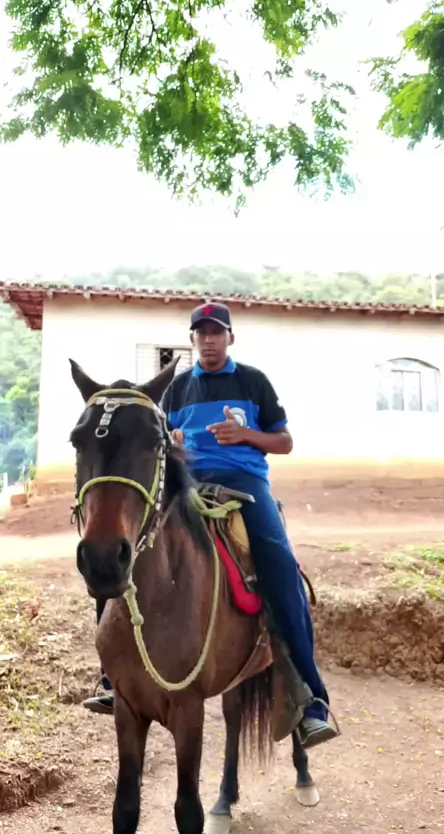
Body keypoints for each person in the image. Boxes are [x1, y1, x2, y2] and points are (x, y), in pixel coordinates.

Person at [83, 303, 337, 749]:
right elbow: (157, 443)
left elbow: (285, 441)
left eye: (216, 332)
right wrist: (172, 442)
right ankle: (112, 676)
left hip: (245, 484)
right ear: (193, 339)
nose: (209, 340)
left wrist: (246, 436)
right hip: (187, 485)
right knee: (120, 548)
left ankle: (311, 698)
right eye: (201, 333)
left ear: (229, 338)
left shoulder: (253, 381)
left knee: (279, 567)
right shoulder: (177, 389)